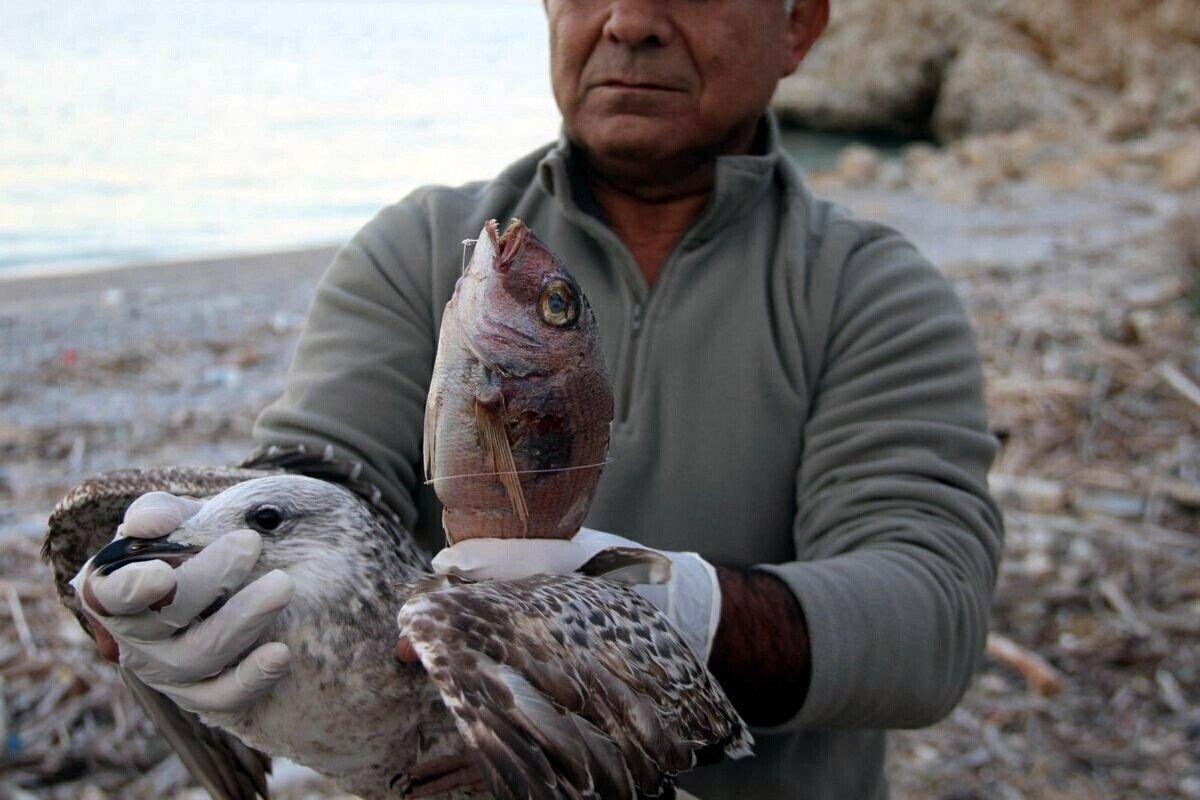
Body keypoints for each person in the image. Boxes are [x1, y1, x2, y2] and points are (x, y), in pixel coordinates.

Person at [76, 0, 1004, 796]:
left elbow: (928, 618)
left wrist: (660, 612)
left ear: (798, 24)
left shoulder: (872, 289)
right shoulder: (429, 245)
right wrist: (207, 560)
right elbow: (323, 466)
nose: (630, 21)